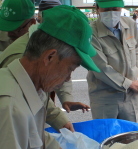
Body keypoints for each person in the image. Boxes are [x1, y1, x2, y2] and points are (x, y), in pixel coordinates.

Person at [0, 5, 100, 149]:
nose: (68, 78)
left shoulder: (32, 88)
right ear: (50, 57)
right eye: (70, 68)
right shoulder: (10, 106)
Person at [0, 0, 90, 132]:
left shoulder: (38, 54)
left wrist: (65, 102)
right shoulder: (12, 103)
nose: (9, 33)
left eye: (16, 27)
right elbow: (22, 129)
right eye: (70, 69)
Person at [88, 0, 138, 123]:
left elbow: (136, 49)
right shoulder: (90, 32)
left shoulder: (130, 24)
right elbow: (100, 68)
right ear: (97, 8)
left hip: (131, 95)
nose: (112, 13)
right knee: (107, 135)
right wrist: (129, 84)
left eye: (115, 9)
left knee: (133, 135)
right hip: (105, 97)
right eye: (106, 9)